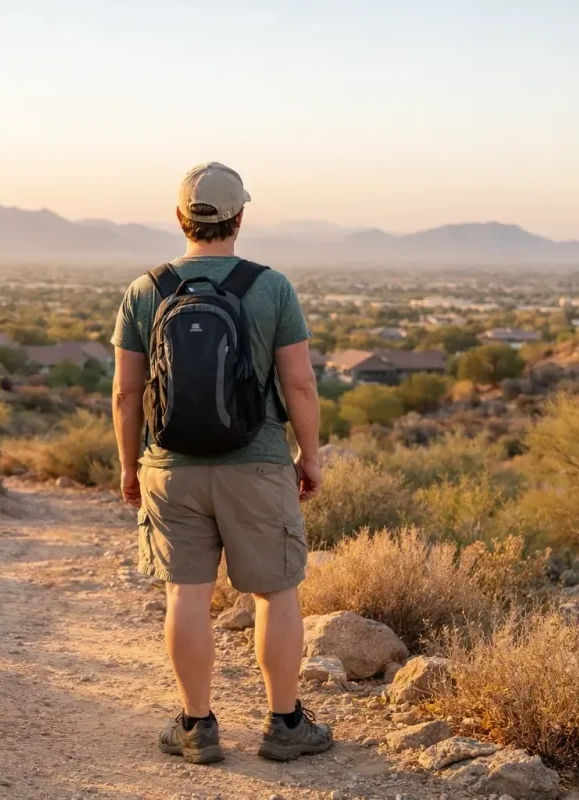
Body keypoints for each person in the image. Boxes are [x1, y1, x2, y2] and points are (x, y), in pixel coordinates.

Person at [111, 162, 330, 764]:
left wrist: (130, 466)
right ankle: (285, 725)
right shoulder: (272, 287)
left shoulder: (144, 290)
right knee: (275, 593)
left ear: (180, 217)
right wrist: (308, 457)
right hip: (256, 461)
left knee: (186, 592)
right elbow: (301, 385)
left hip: (169, 467)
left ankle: (196, 726)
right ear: (240, 216)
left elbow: (127, 393)